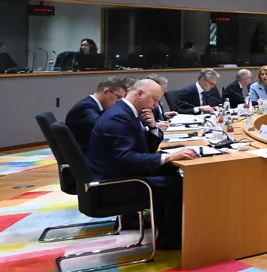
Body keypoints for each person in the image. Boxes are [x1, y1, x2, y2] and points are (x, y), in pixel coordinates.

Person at [87, 79, 196, 250]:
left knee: (170, 171)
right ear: (139, 94)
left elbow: (143, 148)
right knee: (177, 183)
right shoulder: (118, 117)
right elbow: (127, 157)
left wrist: (152, 127)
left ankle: (167, 231)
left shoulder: (126, 112)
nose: (155, 104)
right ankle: (171, 240)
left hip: (121, 173)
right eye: (154, 99)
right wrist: (169, 157)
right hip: (113, 185)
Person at [66, 76, 127, 154]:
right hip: (85, 155)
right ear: (105, 92)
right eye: (118, 97)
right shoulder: (85, 108)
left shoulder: (94, 105)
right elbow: (102, 127)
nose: (119, 102)